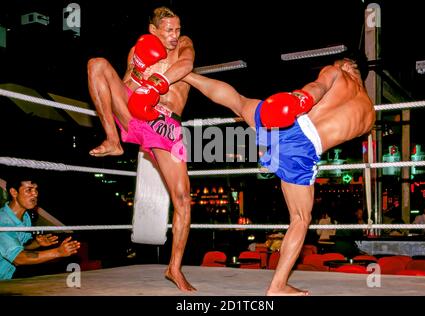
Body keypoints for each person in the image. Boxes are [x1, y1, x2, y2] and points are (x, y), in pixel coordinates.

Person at [183, 56, 375, 295]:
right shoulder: (370, 117)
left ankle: (185, 75)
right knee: (300, 219)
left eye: (339, 63)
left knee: (238, 102)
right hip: (303, 149)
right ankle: (278, 285)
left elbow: (317, 88)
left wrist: (298, 98)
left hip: (288, 122)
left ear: (348, 64)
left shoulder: (337, 72)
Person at [86, 7, 195, 291]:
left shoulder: (183, 45)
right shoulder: (138, 48)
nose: (174, 35)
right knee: (97, 64)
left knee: (183, 199)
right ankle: (112, 140)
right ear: (153, 30)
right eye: (169, 30)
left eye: (177, 29)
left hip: (165, 125)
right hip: (135, 114)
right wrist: (137, 75)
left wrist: (156, 83)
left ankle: (174, 268)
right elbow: (121, 86)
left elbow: (186, 65)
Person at [0, 174, 80, 280]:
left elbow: (20, 246)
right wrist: (58, 252)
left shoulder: (26, 217)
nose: (35, 194)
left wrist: (36, 243)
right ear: (14, 192)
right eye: (29, 190)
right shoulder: (4, 222)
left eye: (36, 190)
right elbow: (18, 258)